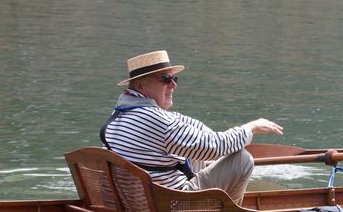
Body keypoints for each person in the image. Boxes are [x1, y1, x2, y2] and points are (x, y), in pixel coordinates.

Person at [101, 50, 283, 204]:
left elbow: (184, 124)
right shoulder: (159, 121)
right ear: (141, 85)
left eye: (174, 78)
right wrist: (251, 127)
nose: (173, 84)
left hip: (140, 201)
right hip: (171, 204)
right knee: (242, 159)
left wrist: (217, 136)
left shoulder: (120, 115)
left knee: (193, 154)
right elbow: (216, 148)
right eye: (165, 79)